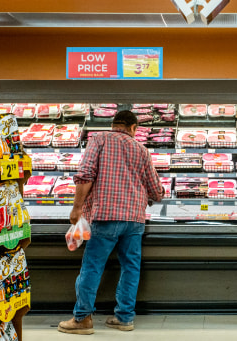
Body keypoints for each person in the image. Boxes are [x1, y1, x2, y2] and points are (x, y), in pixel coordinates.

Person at [58, 110, 163, 335]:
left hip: (105, 216)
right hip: (134, 219)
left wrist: (76, 208)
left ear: (113, 124)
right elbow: (156, 191)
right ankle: (124, 318)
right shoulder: (142, 150)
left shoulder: (100, 140)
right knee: (131, 268)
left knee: (93, 267)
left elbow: (85, 175)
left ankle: (83, 319)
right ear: (134, 128)